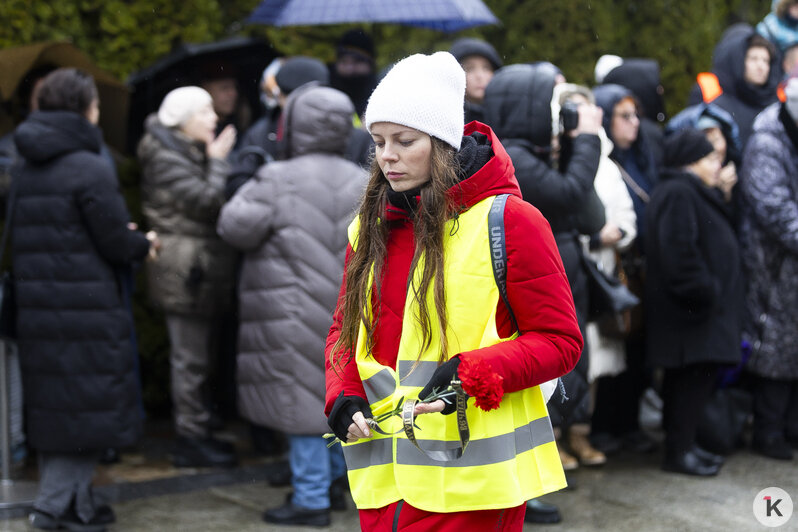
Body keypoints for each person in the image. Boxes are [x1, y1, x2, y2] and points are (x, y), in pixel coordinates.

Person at [324, 52, 582, 530]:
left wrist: (472, 373)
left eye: (405, 140)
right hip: (384, 483)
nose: (387, 156)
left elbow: (560, 342)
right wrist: (342, 396)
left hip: (475, 488)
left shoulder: (511, 221)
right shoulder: (369, 228)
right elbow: (345, 330)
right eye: (378, 141)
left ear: (442, 143)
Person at [11, 67, 156, 531]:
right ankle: (53, 509)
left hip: (39, 304)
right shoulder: (90, 164)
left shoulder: (24, 161)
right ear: (83, 108)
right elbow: (112, 239)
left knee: (61, 407)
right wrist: (143, 242)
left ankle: (78, 505)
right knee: (89, 407)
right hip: (87, 307)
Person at [218, 84, 367, 527]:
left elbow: (233, 227)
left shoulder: (275, 179)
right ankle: (340, 483)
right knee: (339, 395)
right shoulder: (364, 180)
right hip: (347, 312)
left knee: (301, 406)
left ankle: (310, 500)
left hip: (290, 311)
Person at [483, 63, 606, 475]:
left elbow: (587, 212)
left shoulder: (535, 153)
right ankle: (551, 436)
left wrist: (572, 145)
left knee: (572, 354)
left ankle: (569, 429)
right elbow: (570, 195)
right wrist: (588, 139)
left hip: (566, 263)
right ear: (530, 109)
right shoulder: (514, 156)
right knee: (552, 353)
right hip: (544, 271)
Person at [138, 86, 238, 468]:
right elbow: (207, 202)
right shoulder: (163, 155)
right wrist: (216, 161)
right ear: (183, 120)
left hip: (196, 266)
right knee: (189, 359)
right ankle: (190, 439)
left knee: (198, 357)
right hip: (183, 270)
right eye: (206, 112)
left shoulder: (181, 148)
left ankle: (199, 429)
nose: (215, 118)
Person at [645, 128, 743, 476]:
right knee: (688, 384)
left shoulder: (692, 190)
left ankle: (686, 447)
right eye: (709, 159)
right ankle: (679, 451)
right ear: (690, 161)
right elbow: (679, 252)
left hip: (697, 314)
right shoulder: (678, 193)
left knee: (692, 384)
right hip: (689, 313)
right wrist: (706, 291)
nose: (717, 165)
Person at [591, 83, 659, 454]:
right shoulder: (601, 162)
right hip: (614, 267)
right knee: (612, 339)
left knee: (635, 347)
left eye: (637, 115)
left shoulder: (643, 158)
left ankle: (628, 425)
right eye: (624, 115)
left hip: (640, 268)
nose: (634, 124)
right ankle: (603, 427)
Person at [738, 76, 798, 460]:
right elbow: (774, 210)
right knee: (773, 349)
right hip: (771, 266)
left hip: (789, 265)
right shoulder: (767, 143)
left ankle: (788, 429)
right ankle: (768, 432)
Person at [690, 24, 780, 147]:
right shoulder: (717, 101)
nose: (761, 66)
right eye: (753, 59)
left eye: (766, 61)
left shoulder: (776, 101)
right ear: (738, 61)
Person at [449, 37, 503, 124]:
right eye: (470, 69)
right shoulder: (447, 118)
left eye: (486, 68)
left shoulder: (506, 116)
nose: (479, 76)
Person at [329, 29, 378, 120]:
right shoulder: (326, 91)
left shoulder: (380, 95)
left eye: (357, 61)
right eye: (344, 61)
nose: (349, 68)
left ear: (370, 64)